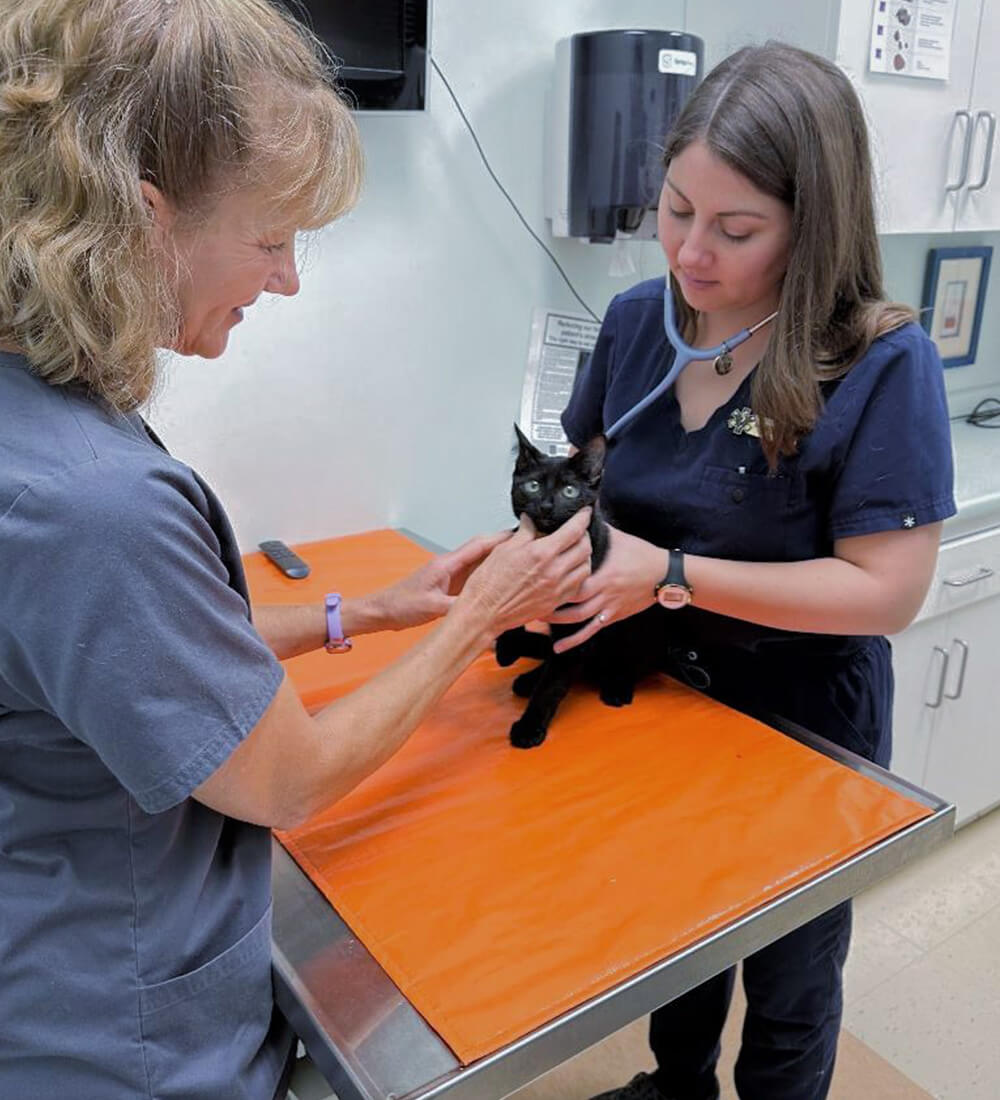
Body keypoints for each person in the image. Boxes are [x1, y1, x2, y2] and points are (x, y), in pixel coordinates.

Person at [0, 3, 592, 1098]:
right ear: (143, 222)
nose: (286, 281)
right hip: (124, 1045)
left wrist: (362, 614)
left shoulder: (34, 411)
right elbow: (289, 777)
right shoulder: (96, 504)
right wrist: (476, 616)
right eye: (270, 239)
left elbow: (136, 651)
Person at [552, 42, 955, 1100]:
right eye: (676, 209)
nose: (689, 252)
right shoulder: (639, 325)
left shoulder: (876, 359)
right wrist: (549, 551)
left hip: (803, 726)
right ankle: (673, 1083)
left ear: (809, 225)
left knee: (786, 974)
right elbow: (593, 477)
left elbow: (886, 590)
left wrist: (671, 572)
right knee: (681, 934)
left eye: (735, 231)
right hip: (666, 705)